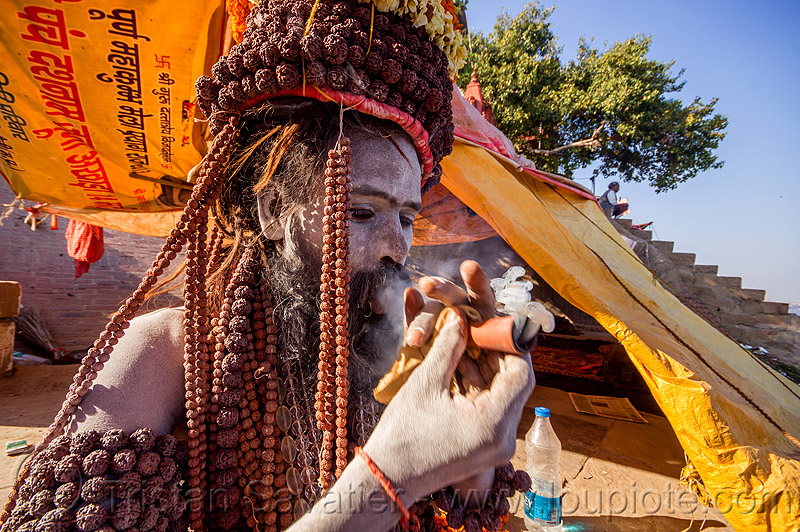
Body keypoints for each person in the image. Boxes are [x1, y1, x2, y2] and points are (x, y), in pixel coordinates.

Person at [0, 2, 540, 532]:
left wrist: (478, 454)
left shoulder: (401, 362)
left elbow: (458, 516)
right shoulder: (169, 357)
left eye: (405, 218)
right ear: (274, 211)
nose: (395, 248)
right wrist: (386, 479)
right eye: (360, 211)